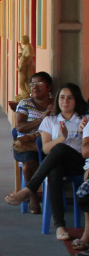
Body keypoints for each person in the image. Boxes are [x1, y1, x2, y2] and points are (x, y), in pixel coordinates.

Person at [6, 83, 88, 241]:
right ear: (57, 100)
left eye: (70, 98)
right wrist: (62, 137)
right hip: (57, 163)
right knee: (54, 170)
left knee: (60, 149)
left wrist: (74, 135)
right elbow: (45, 149)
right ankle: (60, 226)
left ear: (76, 100)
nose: (65, 101)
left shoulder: (84, 119)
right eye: (62, 97)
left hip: (79, 163)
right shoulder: (50, 120)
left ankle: (30, 188)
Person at [12, 72, 54, 214]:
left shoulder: (56, 105)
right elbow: (20, 127)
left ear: (49, 87)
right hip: (27, 145)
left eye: (39, 84)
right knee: (29, 163)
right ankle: (33, 196)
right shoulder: (25, 104)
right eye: (32, 84)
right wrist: (42, 119)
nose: (34, 87)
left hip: (49, 143)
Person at [15, 35, 35, 101]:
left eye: (22, 40)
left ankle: (27, 94)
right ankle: (26, 94)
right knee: (25, 82)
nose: (21, 41)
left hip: (27, 68)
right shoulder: (26, 47)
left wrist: (24, 63)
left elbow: (29, 57)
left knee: (27, 80)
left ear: (25, 40)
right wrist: (20, 47)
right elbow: (24, 53)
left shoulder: (29, 47)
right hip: (25, 67)